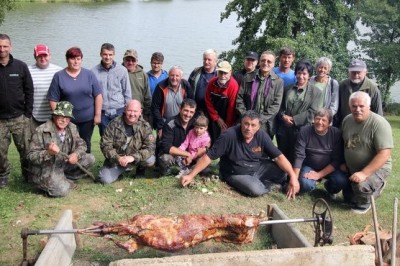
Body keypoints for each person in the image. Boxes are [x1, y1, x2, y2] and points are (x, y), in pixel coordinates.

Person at [181, 110, 299, 199]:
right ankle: (268, 185)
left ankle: (267, 182)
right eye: (246, 124)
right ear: (241, 123)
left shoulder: (262, 135)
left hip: (257, 167)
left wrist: (293, 176)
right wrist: (191, 175)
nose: (249, 128)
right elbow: (208, 157)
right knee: (255, 190)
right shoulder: (228, 135)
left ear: (258, 127)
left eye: (253, 125)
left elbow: (278, 157)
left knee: (284, 171)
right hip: (235, 172)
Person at [26, 101, 95, 197]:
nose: (64, 120)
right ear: (54, 116)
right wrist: (48, 153)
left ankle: (64, 178)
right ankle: (58, 181)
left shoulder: (72, 127)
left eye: (67, 118)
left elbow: (82, 144)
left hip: (63, 164)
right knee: (62, 190)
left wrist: (76, 154)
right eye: (61, 117)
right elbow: (30, 156)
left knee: (90, 158)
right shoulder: (41, 130)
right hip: (47, 168)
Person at [342, 91, 393, 214]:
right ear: (350, 107)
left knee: (360, 186)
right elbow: (343, 142)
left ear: (369, 107)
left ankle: (369, 198)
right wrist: (343, 163)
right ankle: (357, 192)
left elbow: (384, 154)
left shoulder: (379, 123)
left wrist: (364, 173)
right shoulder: (347, 120)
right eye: (354, 106)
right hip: (352, 168)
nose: (357, 109)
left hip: (377, 168)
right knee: (346, 195)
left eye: (361, 106)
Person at [48, 47, 103, 153]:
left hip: (87, 119)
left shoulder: (89, 74)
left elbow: (98, 95)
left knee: (85, 143)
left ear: (81, 59)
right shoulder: (59, 76)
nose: (76, 61)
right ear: (67, 59)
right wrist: (59, 117)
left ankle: (85, 165)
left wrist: (97, 115)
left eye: (78, 58)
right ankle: (68, 167)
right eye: (72, 58)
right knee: (67, 143)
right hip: (67, 120)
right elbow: (52, 99)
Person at [0, 34, 34, 188]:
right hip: (0, 120)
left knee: (26, 150)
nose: (2, 49)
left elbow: (29, 90)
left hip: (20, 117)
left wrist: (27, 114)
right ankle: (3, 176)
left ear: (10, 47)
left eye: (5, 46)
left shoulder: (20, 66)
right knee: (0, 153)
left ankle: (28, 174)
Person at [98, 100, 156, 184]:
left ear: (140, 112)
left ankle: (140, 169)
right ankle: (120, 171)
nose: (132, 114)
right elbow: (105, 145)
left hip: (136, 159)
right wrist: (118, 158)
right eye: (130, 110)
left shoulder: (145, 126)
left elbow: (150, 147)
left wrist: (133, 158)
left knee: (150, 159)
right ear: (125, 110)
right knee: (104, 179)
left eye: (135, 111)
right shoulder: (113, 124)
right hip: (118, 161)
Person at [293, 108, 348, 197]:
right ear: (313, 119)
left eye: (324, 120)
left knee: (341, 181)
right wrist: (294, 180)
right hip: (310, 166)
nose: (320, 122)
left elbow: (337, 160)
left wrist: (319, 175)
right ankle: (310, 186)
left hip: (329, 167)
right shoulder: (304, 131)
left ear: (329, 123)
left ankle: (330, 189)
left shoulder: (336, 134)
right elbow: (299, 156)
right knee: (306, 184)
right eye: (317, 119)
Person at [276, 60, 322, 164]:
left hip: (302, 130)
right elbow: (280, 106)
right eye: (299, 73)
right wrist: (283, 116)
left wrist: (293, 119)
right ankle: (281, 178)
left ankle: (294, 178)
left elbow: (313, 112)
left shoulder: (316, 92)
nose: (301, 76)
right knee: (282, 155)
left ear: (309, 75)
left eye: (304, 73)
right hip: (284, 128)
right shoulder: (287, 88)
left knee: (297, 156)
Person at [236, 50, 283, 139]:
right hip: (247, 123)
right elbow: (239, 98)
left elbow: (276, 105)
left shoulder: (278, 82)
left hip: (265, 125)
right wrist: (246, 117)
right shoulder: (248, 77)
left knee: (262, 151)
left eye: (269, 61)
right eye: (263, 60)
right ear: (259, 62)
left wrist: (259, 120)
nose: (265, 63)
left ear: (273, 64)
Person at [92, 43, 131, 137]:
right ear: (101, 54)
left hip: (119, 110)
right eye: (105, 54)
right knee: (105, 140)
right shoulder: (93, 72)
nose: (107, 57)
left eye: (110, 54)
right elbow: (92, 94)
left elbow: (127, 92)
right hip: (103, 112)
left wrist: (127, 110)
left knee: (120, 138)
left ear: (114, 55)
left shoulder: (122, 70)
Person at [337, 59, 383, 126]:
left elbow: (378, 112)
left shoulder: (373, 88)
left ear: (365, 72)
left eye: (358, 72)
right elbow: (338, 109)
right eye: (353, 72)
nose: (356, 75)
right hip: (346, 125)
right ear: (349, 73)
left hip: (365, 126)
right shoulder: (342, 85)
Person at [157, 99, 197, 176]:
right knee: (165, 158)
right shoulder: (170, 123)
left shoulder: (195, 124)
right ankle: (168, 171)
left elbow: (206, 140)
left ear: (194, 112)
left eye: (191, 112)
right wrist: (187, 154)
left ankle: (189, 169)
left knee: (205, 167)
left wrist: (191, 155)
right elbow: (166, 147)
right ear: (180, 109)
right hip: (174, 155)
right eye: (186, 110)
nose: (188, 114)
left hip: (190, 155)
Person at [151, 65, 193, 137]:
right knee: (163, 144)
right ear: (168, 75)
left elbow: (192, 104)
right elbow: (155, 108)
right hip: (164, 122)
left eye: (177, 76)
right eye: (172, 75)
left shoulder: (186, 85)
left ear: (181, 77)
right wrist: (160, 126)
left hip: (181, 121)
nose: (174, 78)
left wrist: (188, 123)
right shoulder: (160, 87)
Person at [28, 44, 63, 128]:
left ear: (50, 55)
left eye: (45, 55)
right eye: (39, 56)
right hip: (34, 116)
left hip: (54, 115)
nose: (43, 58)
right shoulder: (28, 70)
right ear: (34, 56)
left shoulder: (59, 71)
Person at [205, 60, 239, 143]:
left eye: (225, 73)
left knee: (225, 138)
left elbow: (232, 107)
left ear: (230, 73)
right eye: (220, 72)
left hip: (227, 117)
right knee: (212, 138)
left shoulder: (233, 85)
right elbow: (208, 101)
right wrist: (216, 118)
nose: (223, 75)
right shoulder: (212, 82)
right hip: (214, 116)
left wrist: (227, 125)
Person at [122, 49, 152, 123]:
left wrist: (147, 111)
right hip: (122, 112)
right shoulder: (119, 72)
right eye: (128, 60)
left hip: (138, 112)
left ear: (137, 61)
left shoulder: (143, 74)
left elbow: (147, 95)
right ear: (124, 60)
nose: (130, 62)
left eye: (133, 60)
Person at [188, 49, 218, 115]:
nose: (206, 62)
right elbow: (188, 89)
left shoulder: (219, 75)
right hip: (195, 110)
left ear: (215, 62)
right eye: (204, 59)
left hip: (212, 112)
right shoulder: (196, 72)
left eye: (209, 60)